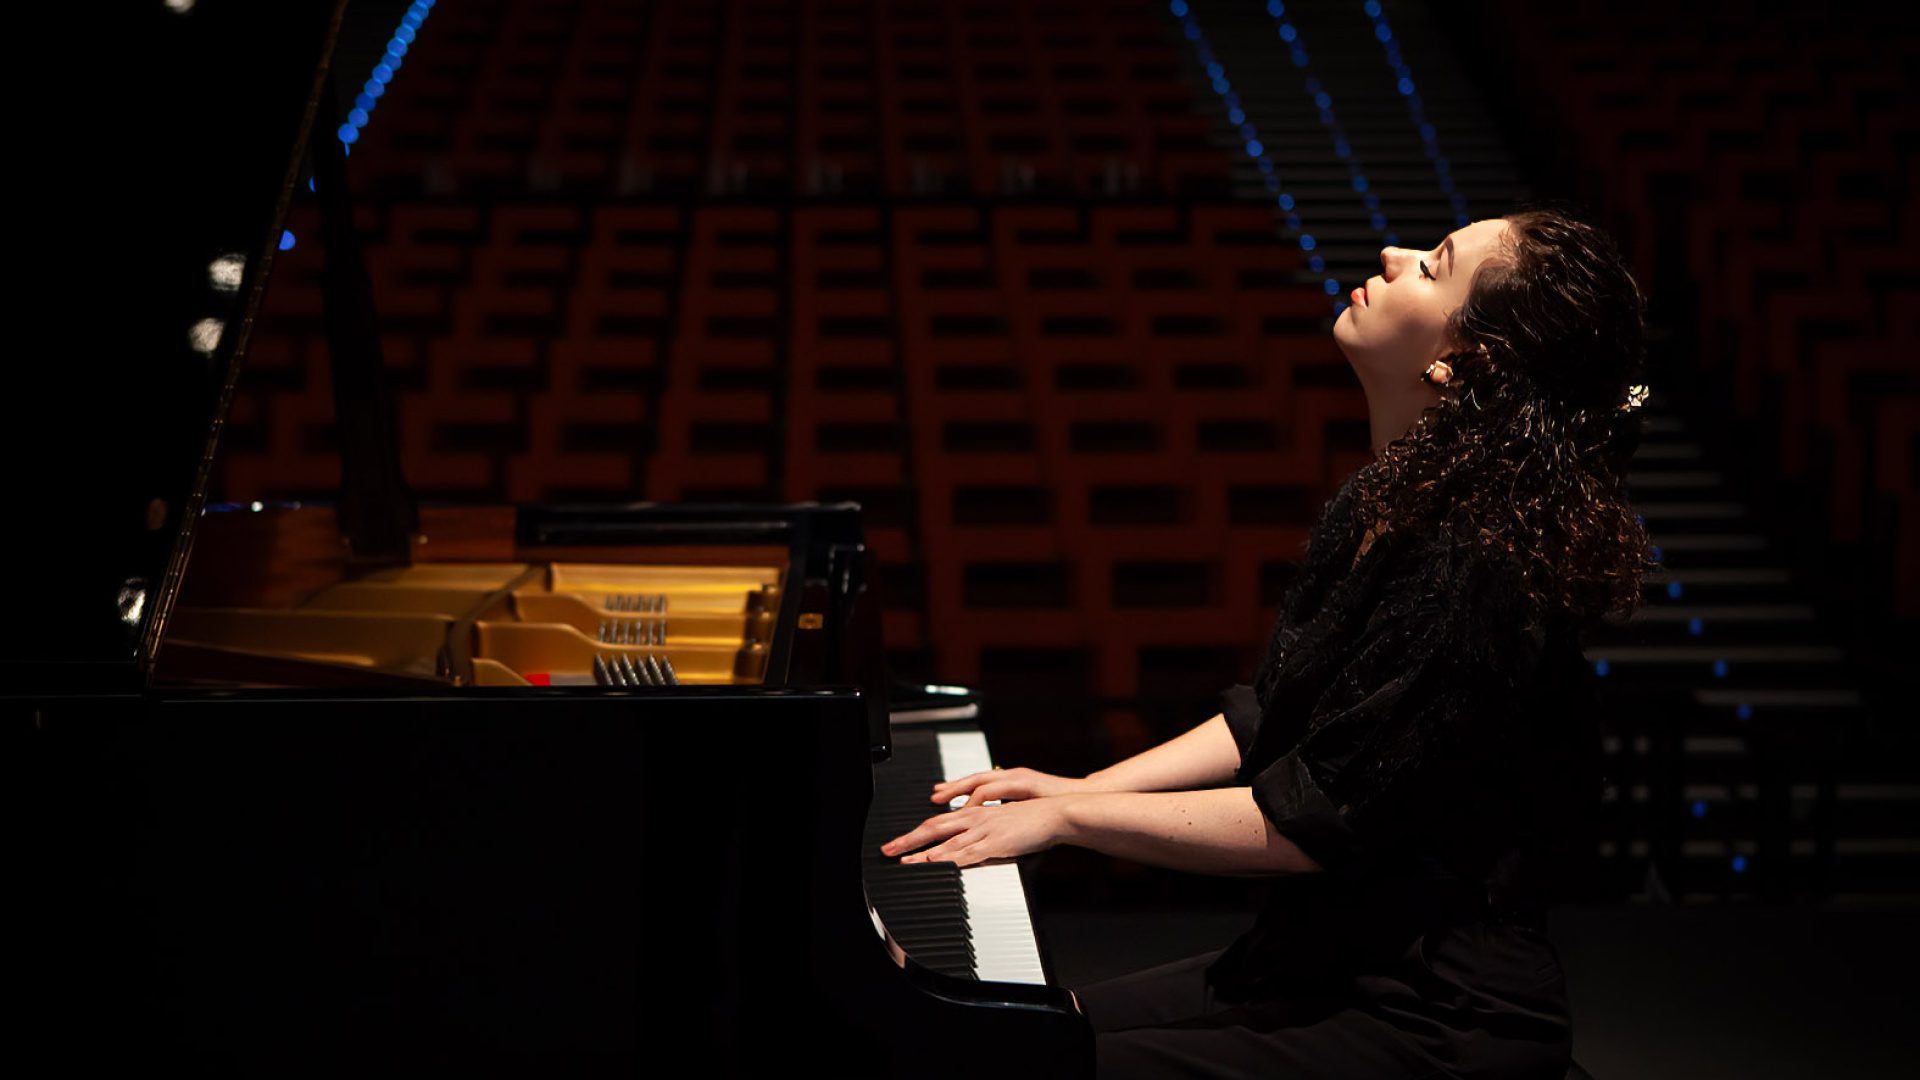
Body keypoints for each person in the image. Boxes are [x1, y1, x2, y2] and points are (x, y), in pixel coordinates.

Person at [882, 201, 1658, 1079]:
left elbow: (1310, 823)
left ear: (1460, 360)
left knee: (1015, 1066)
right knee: (992, 1034)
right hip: (1319, 953)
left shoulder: (1475, 561)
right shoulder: (1385, 501)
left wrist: (1071, 819)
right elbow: (1273, 718)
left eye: (1433, 266)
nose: (1394, 254)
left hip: (1431, 1012)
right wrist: (1081, 785)